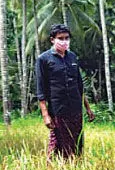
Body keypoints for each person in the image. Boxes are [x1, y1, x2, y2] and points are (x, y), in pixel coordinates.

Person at [35, 24, 95, 159]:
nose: (64, 41)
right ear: (52, 40)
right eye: (60, 38)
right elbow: (41, 89)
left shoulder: (72, 57)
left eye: (67, 38)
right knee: (57, 141)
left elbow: (79, 85)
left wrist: (88, 108)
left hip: (75, 107)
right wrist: (45, 115)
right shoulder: (44, 59)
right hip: (57, 108)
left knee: (77, 140)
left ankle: (75, 167)